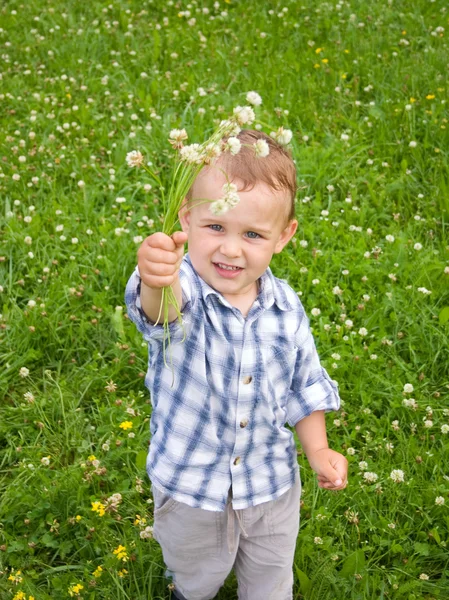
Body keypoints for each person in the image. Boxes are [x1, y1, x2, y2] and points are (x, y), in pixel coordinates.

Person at [125, 130, 348, 600]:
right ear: (187, 217)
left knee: (270, 580)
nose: (230, 249)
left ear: (283, 236)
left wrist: (318, 450)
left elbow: (303, 386)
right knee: (195, 575)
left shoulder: (287, 308)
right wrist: (154, 275)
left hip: (270, 484)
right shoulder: (180, 288)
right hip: (191, 486)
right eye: (215, 228)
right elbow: (160, 315)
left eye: (252, 234)